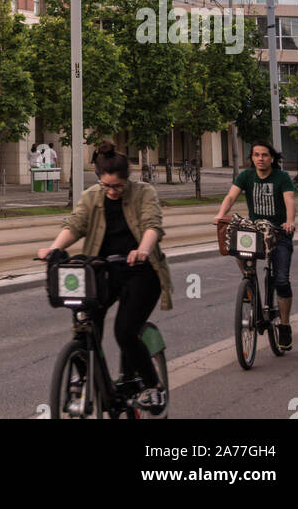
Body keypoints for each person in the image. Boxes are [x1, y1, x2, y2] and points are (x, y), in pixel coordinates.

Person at [38, 139, 172, 414]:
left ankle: (152, 387)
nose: (112, 191)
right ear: (99, 179)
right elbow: (75, 225)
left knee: (125, 331)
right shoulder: (92, 196)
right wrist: (53, 248)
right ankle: (86, 380)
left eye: (118, 186)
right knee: (85, 326)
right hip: (103, 273)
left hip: (141, 273)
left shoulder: (144, 193)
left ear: (127, 180)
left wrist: (143, 250)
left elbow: (152, 226)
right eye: (106, 185)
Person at [212, 140, 296, 351]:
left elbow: (290, 201)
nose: (260, 158)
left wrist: (289, 221)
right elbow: (231, 196)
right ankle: (249, 281)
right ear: (252, 158)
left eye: (264, 155)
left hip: (278, 232)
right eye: (256, 155)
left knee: (282, 280)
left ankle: (284, 326)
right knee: (236, 242)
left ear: (272, 158)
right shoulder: (245, 176)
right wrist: (221, 214)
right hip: (256, 231)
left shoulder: (282, 177)